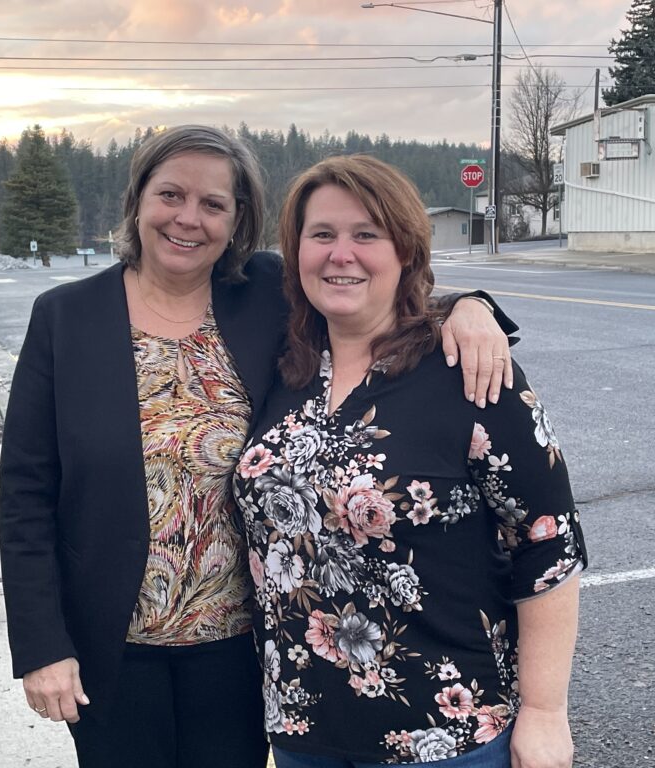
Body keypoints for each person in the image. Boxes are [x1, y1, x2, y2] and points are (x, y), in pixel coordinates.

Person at [0, 126, 519, 768]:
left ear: (237, 220)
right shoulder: (66, 318)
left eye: (213, 204)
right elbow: (26, 496)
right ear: (137, 202)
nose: (188, 218)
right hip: (111, 645)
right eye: (171, 195)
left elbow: (371, 293)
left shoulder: (265, 295)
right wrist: (43, 645)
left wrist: (469, 306)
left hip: (244, 650)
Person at [232, 155, 587, 768]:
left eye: (367, 234)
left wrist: (545, 711)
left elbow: (548, 542)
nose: (341, 254)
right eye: (322, 234)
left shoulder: (469, 372)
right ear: (296, 252)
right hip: (302, 730)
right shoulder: (284, 370)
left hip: (443, 737)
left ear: (406, 251)